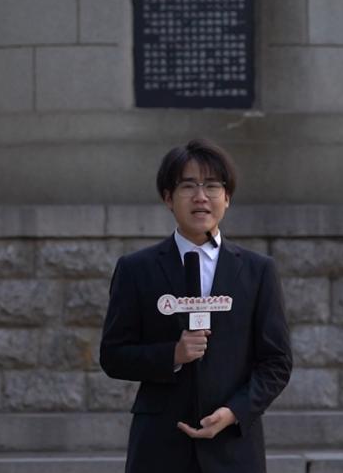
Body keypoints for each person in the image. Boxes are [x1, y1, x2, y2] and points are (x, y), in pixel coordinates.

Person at [99, 138, 292, 473]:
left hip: (233, 447)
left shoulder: (257, 271)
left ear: (227, 197)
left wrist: (234, 412)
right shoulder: (136, 269)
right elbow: (113, 355)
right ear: (168, 198)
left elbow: (277, 362)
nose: (201, 196)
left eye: (212, 186)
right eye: (188, 186)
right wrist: (172, 355)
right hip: (160, 447)